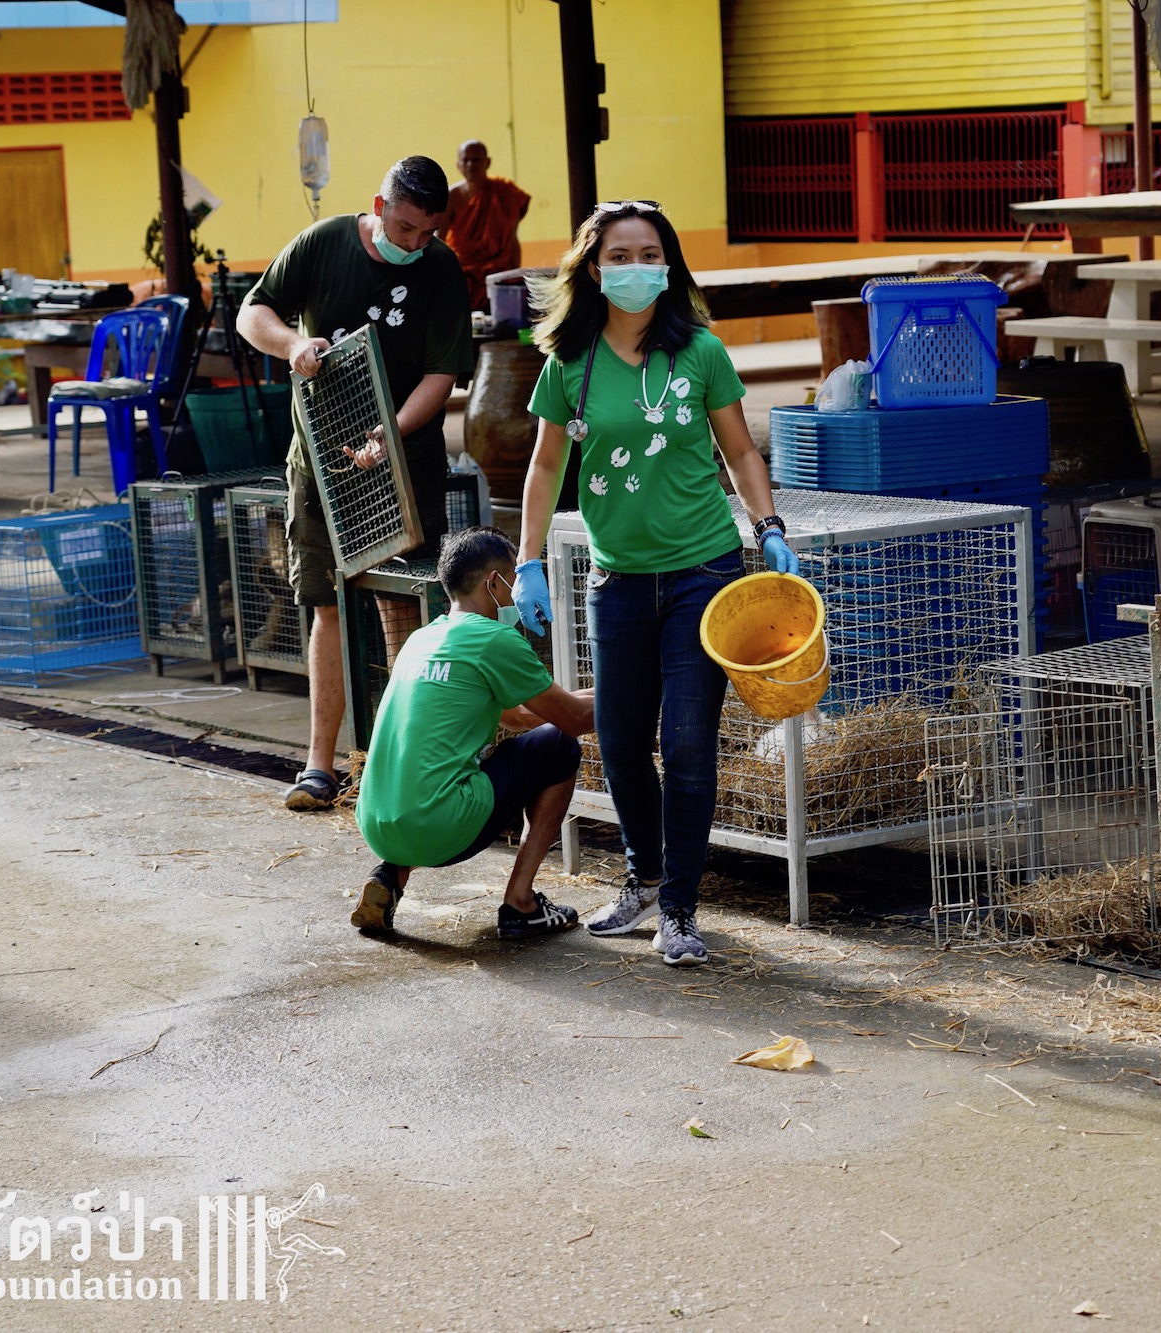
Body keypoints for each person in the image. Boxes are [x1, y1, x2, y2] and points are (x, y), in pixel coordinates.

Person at [509, 200, 797, 968]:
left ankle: (679, 908)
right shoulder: (568, 364)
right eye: (620, 256)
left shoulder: (700, 351)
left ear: (667, 266)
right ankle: (642, 878)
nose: (635, 268)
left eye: (648, 255)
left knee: (689, 743)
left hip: (705, 572)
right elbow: (545, 465)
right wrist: (528, 558)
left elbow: (741, 452)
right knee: (623, 743)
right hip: (618, 581)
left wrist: (769, 526)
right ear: (593, 267)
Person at [236, 155, 473, 813]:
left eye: (427, 233)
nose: (414, 244)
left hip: (403, 460)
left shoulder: (441, 269)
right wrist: (292, 345)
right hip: (320, 459)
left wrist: (390, 433)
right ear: (379, 207)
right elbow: (254, 313)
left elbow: (442, 374)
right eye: (404, 229)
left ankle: (405, 763)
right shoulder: (323, 243)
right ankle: (320, 766)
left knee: (402, 604)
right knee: (328, 604)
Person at [352, 526, 596, 939]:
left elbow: (517, 716)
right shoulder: (494, 639)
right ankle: (521, 903)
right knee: (560, 746)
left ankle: (390, 876)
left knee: (433, 771)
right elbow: (571, 721)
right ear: (495, 583)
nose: (519, 593)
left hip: (378, 824)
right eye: (516, 580)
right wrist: (643, 688)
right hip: (440, 828)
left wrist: (595, 693)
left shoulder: (421, 639)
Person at [440, 139, 530, 311]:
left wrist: (514, 271)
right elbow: (439, 239)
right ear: (458, 165)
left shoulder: (505, 192)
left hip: (499, 270)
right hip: (464, 272)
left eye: (476, 159)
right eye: (465, 160)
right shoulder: (451, 196)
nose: (470, 164)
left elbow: (511, 234)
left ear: (487, 162)